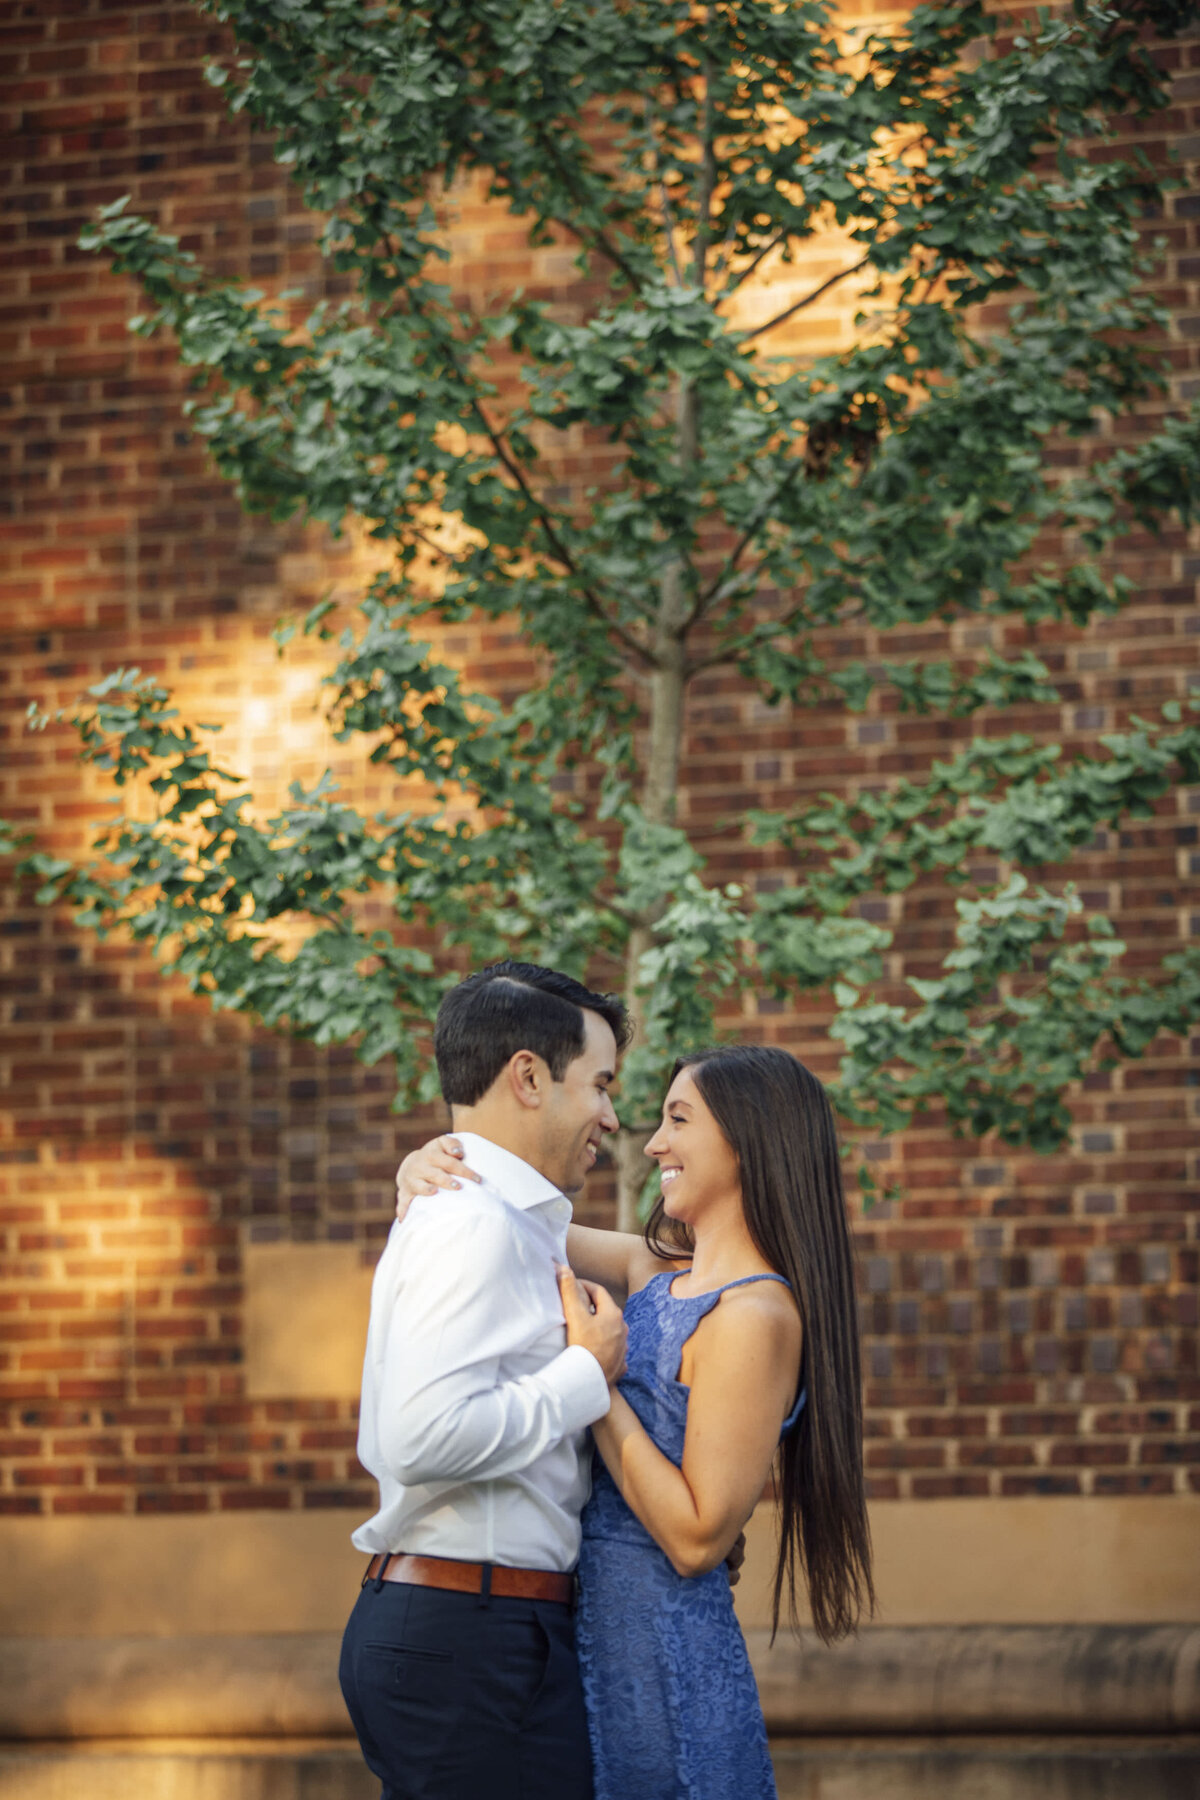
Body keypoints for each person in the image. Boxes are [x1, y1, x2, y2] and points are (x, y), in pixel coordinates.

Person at [397, 1042, 874, 1800]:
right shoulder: (658, 1272)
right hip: (581, 1644)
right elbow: (513, 1227)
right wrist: (429, 1167)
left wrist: (598, 1381)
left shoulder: (756, 1314)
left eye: (677, 1119)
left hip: (666, 1669)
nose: (653, 1143)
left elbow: (695, 1538)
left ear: (747, 1142)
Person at [339, 960, 632, 1800]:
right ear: (529, 1077)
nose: (611, 1116)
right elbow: (419, 1437)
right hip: (468, 1632)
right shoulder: (473, 1224)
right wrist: (587, 1373)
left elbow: (667, 1261)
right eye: (601, 1085)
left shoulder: (508, 1219)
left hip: (487, 1625)